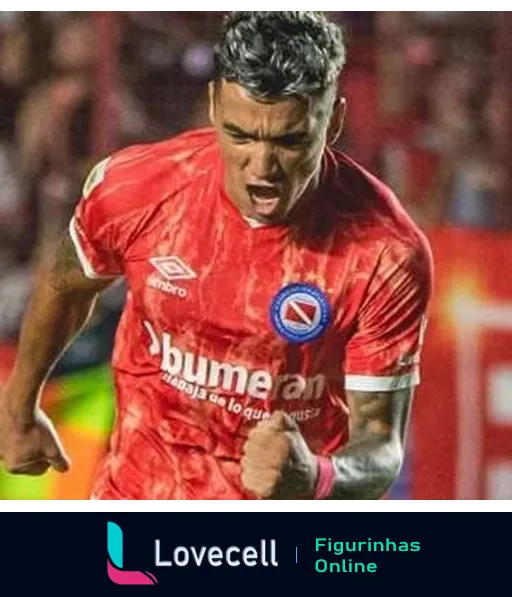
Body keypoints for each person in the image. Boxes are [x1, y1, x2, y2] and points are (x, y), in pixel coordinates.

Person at [0, 9, 433, 501]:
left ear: (332, 121)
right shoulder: (136, 188)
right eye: (241, 135)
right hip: (140, 503)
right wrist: (19, 409)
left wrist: (316, 477)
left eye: (290, 140)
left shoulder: (385, 252)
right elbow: (67, 286)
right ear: (213, 106)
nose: (261, 168)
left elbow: (380, 447)